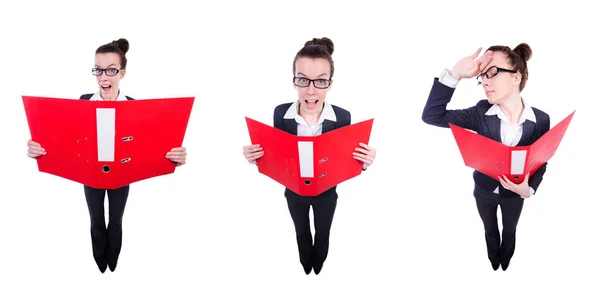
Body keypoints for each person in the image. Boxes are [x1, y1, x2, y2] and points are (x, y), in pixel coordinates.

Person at [26, 38, 188, 273]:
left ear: (122, 73)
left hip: (122, 174)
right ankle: (100, 262)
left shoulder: (135, 107)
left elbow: (148, 146)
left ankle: (113, 261)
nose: (104, 76)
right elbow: (64, 140)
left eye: (111, 69)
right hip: (90, 174)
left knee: (116, 221)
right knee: (96, 221)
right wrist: (37, 149)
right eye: (98, 69)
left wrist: (174, 157)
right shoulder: (82, 102)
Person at [242, 37, 377, 275]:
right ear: (294, 80)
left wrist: (363, 162)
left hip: (327, 194)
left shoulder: (343, 117)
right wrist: (256, 157)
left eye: (320, 81)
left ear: (330, 83)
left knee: (323, 231)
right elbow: (277, 154)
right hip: (294, 193)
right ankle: (306, 264)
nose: (311, 90)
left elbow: (345, 157)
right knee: (301, 231)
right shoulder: (280, 114)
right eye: (303, 79)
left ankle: (319, 264)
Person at [421, 43, 550, 271]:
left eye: (492, 73)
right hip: (484, 190)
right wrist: (455, 75)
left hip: (515, 194)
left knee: (510, 229)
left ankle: (506, 260)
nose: (485, 82)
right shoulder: (480, 112)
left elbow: (541, 161)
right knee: (490, 229)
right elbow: (432, 116)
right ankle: (493, 260)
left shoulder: (540, 120)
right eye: (482, 77)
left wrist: (528, 190)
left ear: (515, 77)